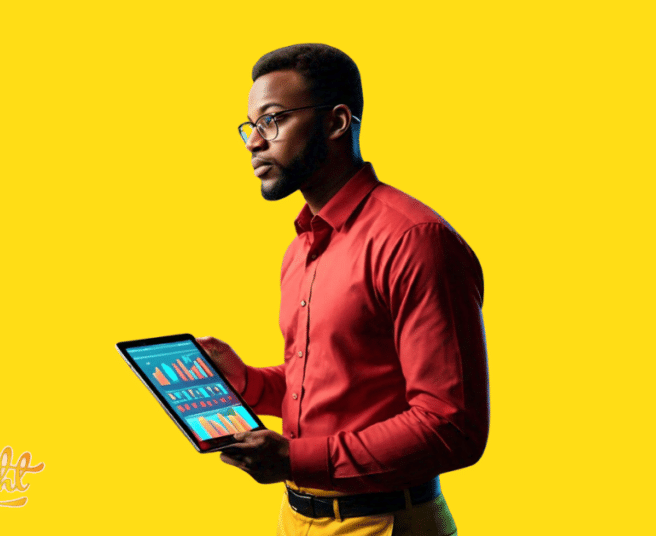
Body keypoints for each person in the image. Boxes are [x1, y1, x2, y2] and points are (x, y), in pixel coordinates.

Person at [197, 43, 488, 536]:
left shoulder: (415, 241)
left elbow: (451, 427)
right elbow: (334, 383)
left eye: (271, 120)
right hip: (295, 519)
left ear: (336, 123)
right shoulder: (301, 247)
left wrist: (295, 457)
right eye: (251, 127)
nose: (253, 143)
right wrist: (245, 381)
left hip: (386, 522)